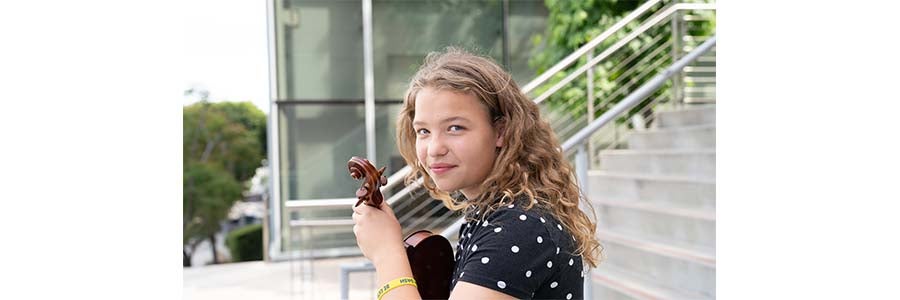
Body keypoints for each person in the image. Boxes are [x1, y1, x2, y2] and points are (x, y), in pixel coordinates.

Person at [352, 47, 601, 300]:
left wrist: (387, 254)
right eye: (423, 131)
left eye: (455, 128)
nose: (435, 149)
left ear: (501, 132)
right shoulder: (491, 215)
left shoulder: (519, 228)